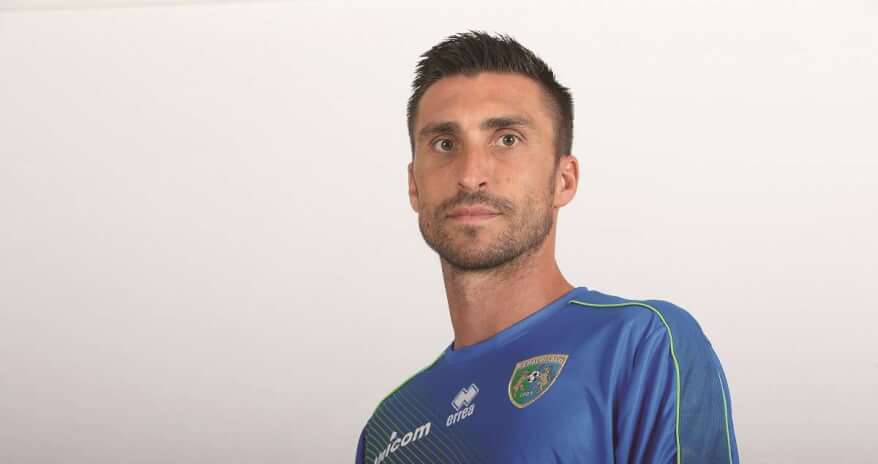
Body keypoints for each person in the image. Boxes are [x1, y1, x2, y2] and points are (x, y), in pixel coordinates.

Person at [355, 30, 739, 464]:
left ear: (564, 180)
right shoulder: (387, 427)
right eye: (444, 144)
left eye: (507, 139)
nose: (470, 175)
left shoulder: (639, 344)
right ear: (414, 186)